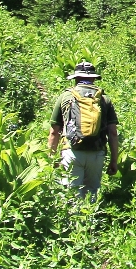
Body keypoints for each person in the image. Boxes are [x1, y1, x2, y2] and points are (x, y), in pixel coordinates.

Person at [48, 61, 119, 197]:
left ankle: (74, 218)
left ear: (76, 78)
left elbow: (54, 132)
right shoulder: (104, 99)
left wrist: (51, 158)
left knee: (72, 195)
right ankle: (91, 217)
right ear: (93, 78)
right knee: (92, 193)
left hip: (71, 151)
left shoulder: (66, 97)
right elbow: (113, 133)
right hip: (96, 153)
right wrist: (114, 160)